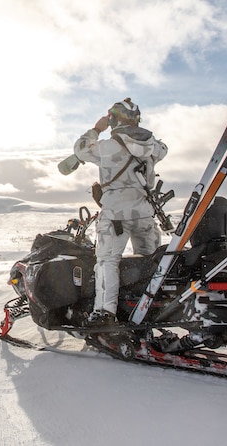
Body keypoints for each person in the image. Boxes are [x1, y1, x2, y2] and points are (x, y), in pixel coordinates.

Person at [73, 98, 168, 326]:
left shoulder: (108, 147)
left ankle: (105, 313)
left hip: (116, 214)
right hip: (144, 212)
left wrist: (97, 129)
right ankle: (148, 309)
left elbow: (80, 149)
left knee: (107, 261)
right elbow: (164, 149)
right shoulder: (154, 146)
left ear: (114, 120)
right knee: (150, 262)